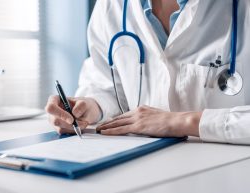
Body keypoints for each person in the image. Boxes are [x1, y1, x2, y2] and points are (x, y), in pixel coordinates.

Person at [45, 0, 250, 145]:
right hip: (141, 170)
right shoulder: (111, 5)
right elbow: (106, 85)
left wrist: (183, 122)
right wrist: (90, 107)